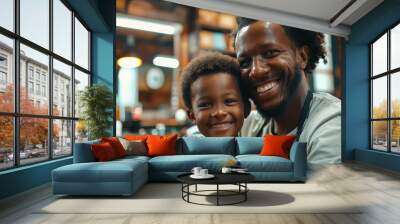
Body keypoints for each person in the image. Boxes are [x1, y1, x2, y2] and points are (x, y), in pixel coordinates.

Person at [234, 18, 341, 166]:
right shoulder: (249, 125)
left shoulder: (332, 124)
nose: (256, 71)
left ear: (302, 57)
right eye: (245, 62)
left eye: (270, 53)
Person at [181, 52, 250, 137]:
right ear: (191, 115)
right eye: (205, 105)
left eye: (229, 101)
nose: (219, 112)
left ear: (246, 108)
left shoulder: (259, 148)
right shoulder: (183, 149)